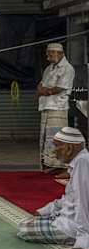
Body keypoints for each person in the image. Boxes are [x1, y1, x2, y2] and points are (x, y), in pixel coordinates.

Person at [17, 127, 89, 249]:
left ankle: (77, 237)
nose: (54, 150)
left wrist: (83, 239)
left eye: (57, 146)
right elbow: (70, 197)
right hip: (73, 221)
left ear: (69, 148)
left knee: (25, 229)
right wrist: (48, 209)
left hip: (74, 227)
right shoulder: (81, 160)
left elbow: (81, 201)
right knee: (29, 222)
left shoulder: (83, 162)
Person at [37, 43, 75, 178]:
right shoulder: (49, 69)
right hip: (47, 106)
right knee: (47, 137)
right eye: (48, 54)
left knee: (58, 138)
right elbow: (41, 85)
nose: (48, 57)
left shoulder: (67, 68)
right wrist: (42, 90)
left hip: (58, 107)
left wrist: (44, 91)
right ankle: (53, 165)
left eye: (51, 54)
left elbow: (59, 88)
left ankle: (65, 167)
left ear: (60, 53)